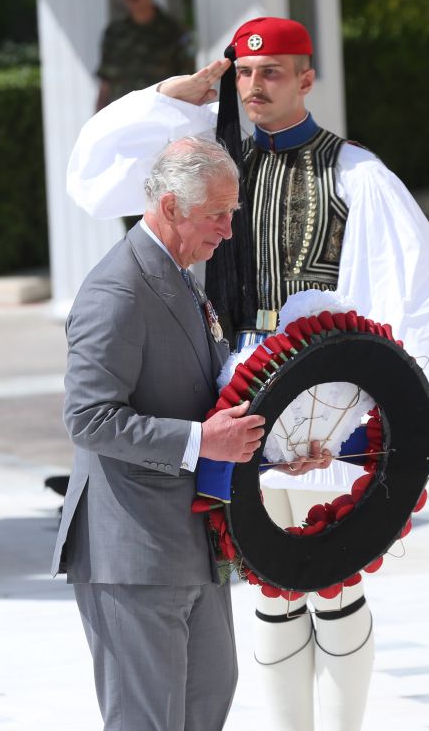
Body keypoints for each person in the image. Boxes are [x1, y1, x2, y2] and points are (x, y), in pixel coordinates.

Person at [66, 17, 429, 731]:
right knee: (268, 584)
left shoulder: (352, 171)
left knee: (332, 580)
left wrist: (372, 417)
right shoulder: (204, 155)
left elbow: (401, 287)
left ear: (307, 77)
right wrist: (170, 96)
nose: (253, 86)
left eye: (271, 72)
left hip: (325, 395)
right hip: (230, 397)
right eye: (243, 73)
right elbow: (93, 174)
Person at [51, 136, 259, 731]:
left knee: (208, 702)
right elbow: (88, 417)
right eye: (216, 214)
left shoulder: (181, 274)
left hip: (191, 545)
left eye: (231, 213)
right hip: (133, 551)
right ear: (170, 207)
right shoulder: (117, 289)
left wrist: (270, 446)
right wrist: (202, 442)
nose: (226, 230)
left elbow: (207, 394)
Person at [95, 0, 195, 113]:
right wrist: (98, 118)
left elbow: (187, 83)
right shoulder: (114, 33)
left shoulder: (174, 31)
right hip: (121, 117)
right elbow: (105, 84)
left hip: (161, 118)